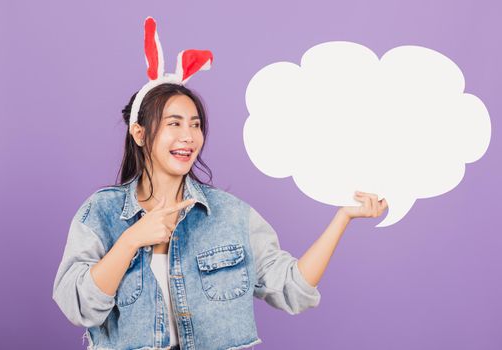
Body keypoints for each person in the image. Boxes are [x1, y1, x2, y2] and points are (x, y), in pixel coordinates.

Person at [52, 18, 388, 350]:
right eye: (175, 123)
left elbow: (292, 290)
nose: (188, 136)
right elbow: (79, 307)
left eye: (195, 125)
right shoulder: (101, 212)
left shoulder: (230, 215)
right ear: (140, 133)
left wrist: (342, 217)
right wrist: (130, 241)